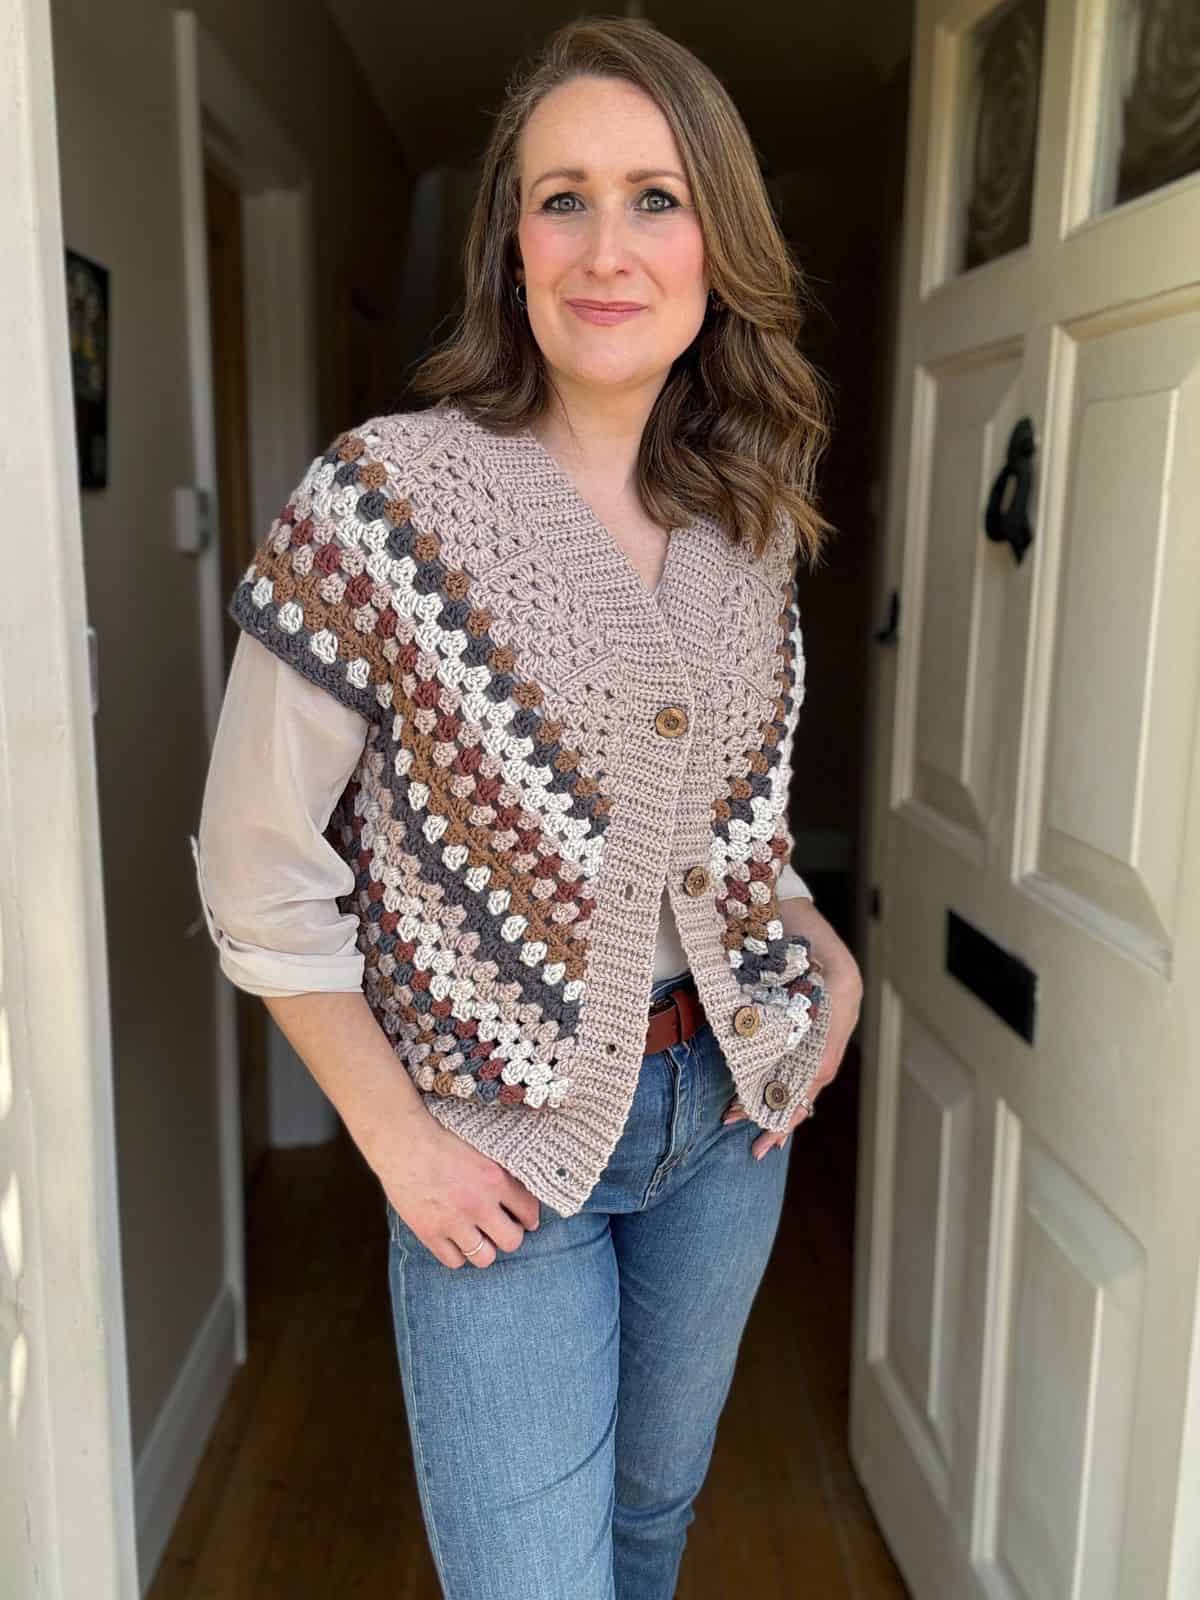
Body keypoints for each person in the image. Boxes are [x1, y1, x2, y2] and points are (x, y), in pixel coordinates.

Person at [193, 14, 863, 1598]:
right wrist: (395, 1140)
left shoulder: (748, 526)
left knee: (650, 1532)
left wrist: (828, 969)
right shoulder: (388, 500)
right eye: (561, 197)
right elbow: (254, 864)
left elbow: (735, 847)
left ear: (719, 245)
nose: (605, 247)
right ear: (509, 241)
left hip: (728, 1127)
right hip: (491, 1149)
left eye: (655, 196)